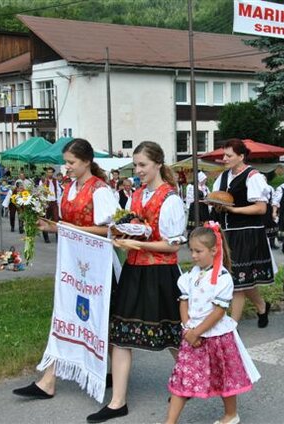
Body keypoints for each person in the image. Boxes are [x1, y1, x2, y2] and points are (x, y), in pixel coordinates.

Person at [12, 138, 119, 403]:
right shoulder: (69, 188)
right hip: (74, 264)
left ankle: (115, 372)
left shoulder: (100, 190)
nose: (66, 167)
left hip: (99, 266)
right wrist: (49, 226)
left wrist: (68, 229)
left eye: (71, 162)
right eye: (66, 162)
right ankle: (48, 380)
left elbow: (110, 229)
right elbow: (66, 223)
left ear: (86, 161)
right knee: (67, 316)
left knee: (105, 321)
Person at [88, 141, 186, 423]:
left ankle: (188, 381)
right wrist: (123, 236)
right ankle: (118, 402)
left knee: (173, 336)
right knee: (121, 335)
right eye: (136, 165)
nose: (138, 171)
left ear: (157, 164)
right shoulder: (136, 196)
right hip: (134, 269)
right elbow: (135, 227)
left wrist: (136, 243)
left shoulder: (171, 199)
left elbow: (172, 245)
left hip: (160, 273)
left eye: (143, 165)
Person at [165, 224, 260, 424]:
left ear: (214, 250)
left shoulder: (223, 278)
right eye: (191, 250)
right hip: (192, 336)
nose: (193, 256)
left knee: (224, 376)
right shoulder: (190, 275)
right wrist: (187, 329)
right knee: (182, 377)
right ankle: (170, 422)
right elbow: (184, 301)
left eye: (198, 251)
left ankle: (231, 414)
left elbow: (219, 312)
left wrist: (197, 331)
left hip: (216, 336)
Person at [211, 139, 275, 326]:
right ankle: (262, 306)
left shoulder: (252, 176)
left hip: (247, 233)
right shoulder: (223, 177)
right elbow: (217, 198)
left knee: (237, 282)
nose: (224, 158)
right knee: (241, 279)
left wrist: (234, 210)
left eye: (228, 155)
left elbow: (261, 208)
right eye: (224, 155)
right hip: (226, 232)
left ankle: (232, 325)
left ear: (241, 156)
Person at [40, 166, 62, 243]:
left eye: (51, 172)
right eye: (48, 172)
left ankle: (58, 237)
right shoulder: (43, 180)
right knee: (45, 219)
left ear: (53, 173)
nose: (50, 173)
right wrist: (43, 202)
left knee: (56, 220)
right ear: (47, 173)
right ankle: (46, 238)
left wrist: (58, 202)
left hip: (54, 202)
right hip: (46, 202)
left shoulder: (56, 181)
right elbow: (40, 191)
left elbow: (59, 191)